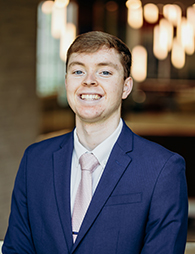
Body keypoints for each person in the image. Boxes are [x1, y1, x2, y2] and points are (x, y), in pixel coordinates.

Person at [2, 31, 188, 254]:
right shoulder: (35, 160)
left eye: (105, 72)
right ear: (67, 82)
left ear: (126, 87)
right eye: (78, 71)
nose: (88, 80)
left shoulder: (163, 168)